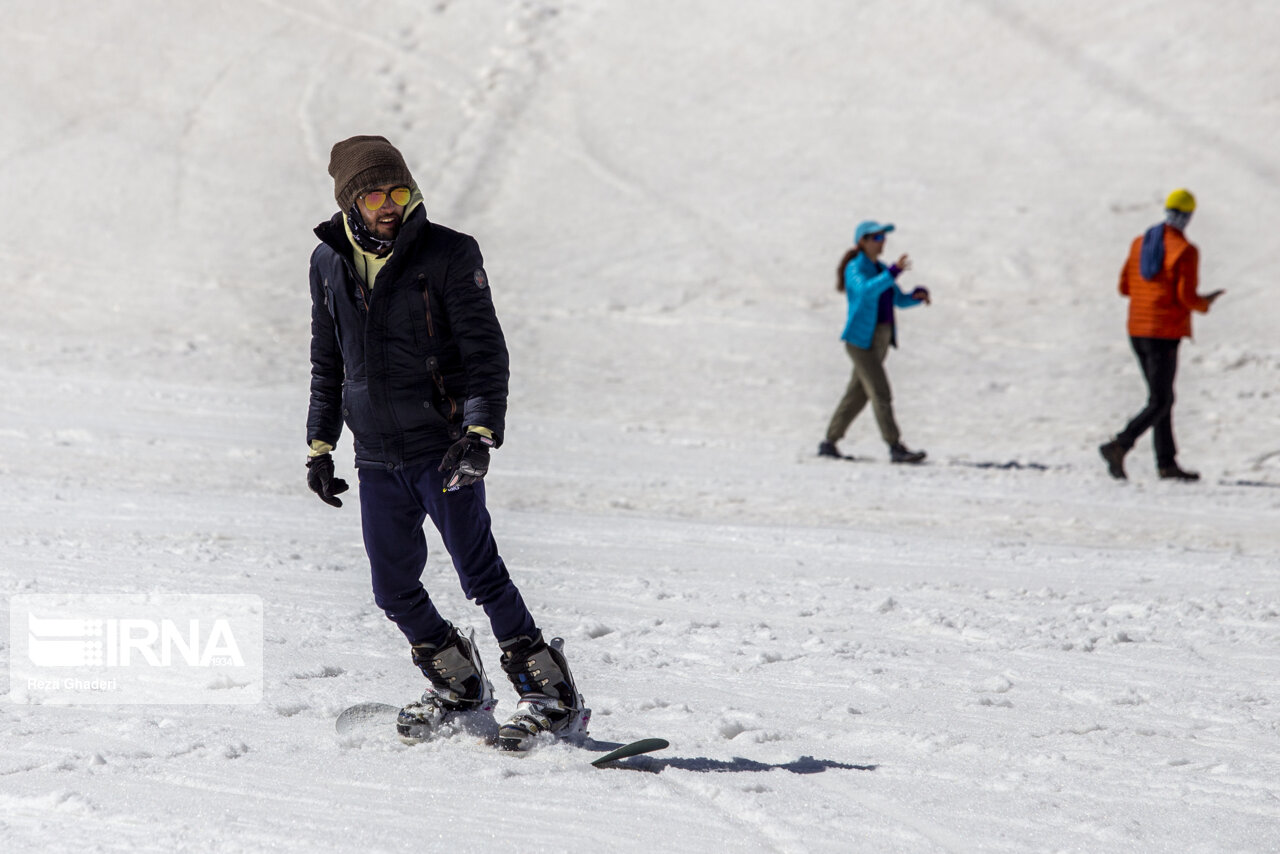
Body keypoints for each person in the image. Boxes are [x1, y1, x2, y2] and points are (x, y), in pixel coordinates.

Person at [304, 135, 585, 749]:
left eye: (397, 191)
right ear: (351, 201)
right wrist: (319, 447)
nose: (388, 204)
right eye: (375, 193)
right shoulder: (327, 263)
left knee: (480, 574)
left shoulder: (450, 254)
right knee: (393, 589)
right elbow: (328, 362)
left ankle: (551, 695)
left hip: (443, 447)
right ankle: (457, 681)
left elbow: (486, 352)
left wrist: (480, 433)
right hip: (376, 454)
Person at [1099, 189, 1224, 481]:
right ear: (1189, 216)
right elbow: (1186, 297)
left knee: (1161, 397)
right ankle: (1119, 444)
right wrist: (1205, 303)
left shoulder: (1140, 244)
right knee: (1161, 399)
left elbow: (1124, 287)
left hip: (1137, 331)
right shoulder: (1184, 250)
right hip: (1163, 333)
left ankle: (1166, 464)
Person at [819, 221, 931, 463]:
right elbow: (865, 291)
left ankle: (829, 441)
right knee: (880, 391)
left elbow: (898, 299)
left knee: (858, 394)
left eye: (883, 237)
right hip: (861, 341)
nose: (882, 242)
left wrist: (916, 297)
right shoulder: (855, 268)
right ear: (863, 241)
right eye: (877, 238)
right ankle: (895, 446)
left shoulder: (880, 268)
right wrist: (892, 274)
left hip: (880, 339)